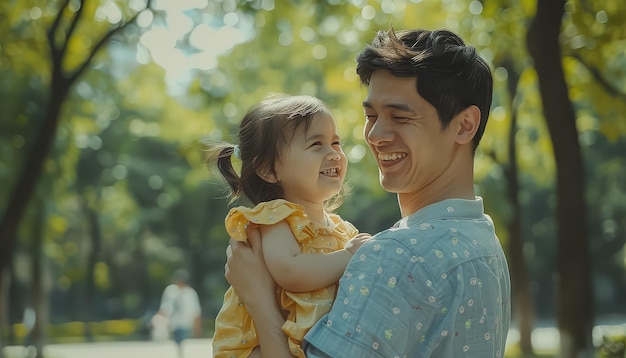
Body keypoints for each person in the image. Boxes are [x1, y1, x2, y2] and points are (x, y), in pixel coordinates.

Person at [223, 28, 512, 357]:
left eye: (400, 117)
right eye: (371, 116)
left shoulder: (395, 256)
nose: (375, 134)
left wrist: (260, 301)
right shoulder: (482, 241)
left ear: (464, 125)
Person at [205, 93, 370, 357]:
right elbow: (291, 271)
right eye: (316, 144)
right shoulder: (276, 218)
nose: (333, 153)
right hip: (253, 345)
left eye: (336, 142)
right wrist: (350, 255)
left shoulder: (341, 229)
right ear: (268, 170)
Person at [153, 269, 202, 358]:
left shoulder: (190, 293)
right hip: (173, 324)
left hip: (185, 325)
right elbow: (165, 307)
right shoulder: (170, 291)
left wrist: (197, 330)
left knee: (184, 346)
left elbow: (195, 312)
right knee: (174, 347)